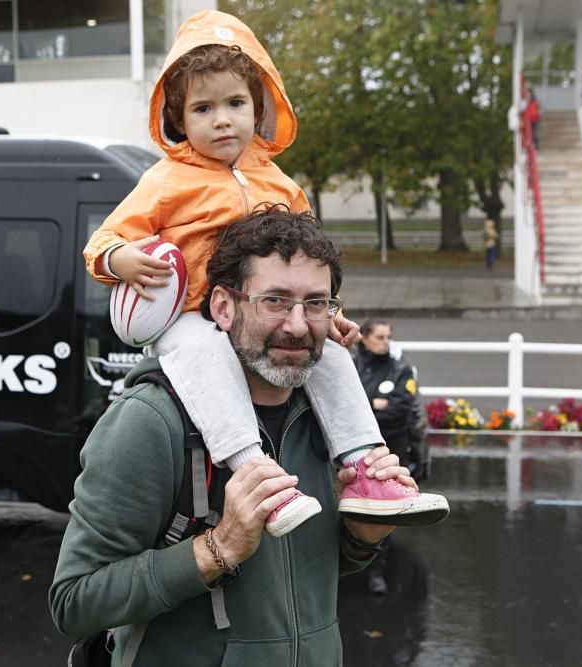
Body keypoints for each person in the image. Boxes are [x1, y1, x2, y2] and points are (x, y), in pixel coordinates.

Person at [82, 10, 442, 536]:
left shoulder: (279, 181)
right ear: (179, 119)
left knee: (333, 356)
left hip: (264, 311)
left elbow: (313, 259)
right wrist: (120, 260)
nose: (222, 119)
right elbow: (103, 242)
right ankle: (256, 476)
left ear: (258, 107)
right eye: (203, 108)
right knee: (206, 355)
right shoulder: (165, 180)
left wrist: (329, 313)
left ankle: (366, 467)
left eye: (235, 103)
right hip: (189, 315)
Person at [52, 209, 431, 665]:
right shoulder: (150, 421)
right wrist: (218, 549)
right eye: (274, 300)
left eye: (315, 303)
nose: (297, 324)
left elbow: (292, 578)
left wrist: (361, 538)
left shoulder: (328, 420)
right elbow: (74, 601)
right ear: (223, 307)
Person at [352, 319, 423, 596]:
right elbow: (344, 407)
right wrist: (376, 403)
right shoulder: (353, 368)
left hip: (393, 449)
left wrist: (367, 404)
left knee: (385, 511)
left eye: (388, 337)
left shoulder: (401, 369)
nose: (385, 342)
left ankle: (377, 570)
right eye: (379, 337)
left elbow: (402, 409)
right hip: (358, 449)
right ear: (365, 338)